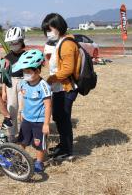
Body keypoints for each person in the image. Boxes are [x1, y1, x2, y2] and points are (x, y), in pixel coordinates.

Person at [41, 13, 81, 160]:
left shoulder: (67, 44)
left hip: (66, 88)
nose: (48, 33)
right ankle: (63, 145)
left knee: (63, 118)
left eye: (49, 29)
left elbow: (67, 69)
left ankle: (67, 150)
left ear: (58, 27)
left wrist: (50, 79)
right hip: (59, 87)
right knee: (58, 116)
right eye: (46, 31)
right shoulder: (61, 42)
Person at [12, 49, 51, 173]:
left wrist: (46, 124)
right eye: (24, 72)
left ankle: (39, 162)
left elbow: (48, 106)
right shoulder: (24, 83)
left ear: (38, 71)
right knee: (22, 140)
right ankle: (19, 156)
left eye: (28, 72)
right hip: (27, 119)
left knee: (39, 144)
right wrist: (21, 112)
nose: (25, 74)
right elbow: (24, 98)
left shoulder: (43, 86)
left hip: (39, 121)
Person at [1, 27, 26, 142]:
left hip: (24, 82)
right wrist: (3, 91)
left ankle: (24, 133)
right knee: (12, 108)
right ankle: (11, 134)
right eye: (11, 43)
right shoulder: (7, 57)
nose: (13, 45)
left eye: (15, 42)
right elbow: (4, 75)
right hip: (11, 83)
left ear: (21, 41)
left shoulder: (27, 55)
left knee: (23, 109)